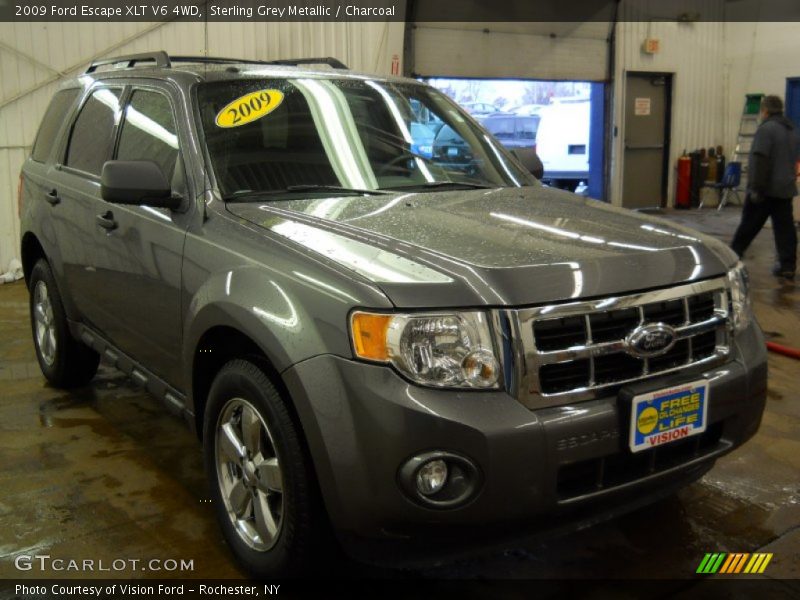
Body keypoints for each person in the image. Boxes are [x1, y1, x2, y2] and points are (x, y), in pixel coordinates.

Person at [730, 95, 799, 280]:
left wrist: (756, 187)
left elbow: (760, 159)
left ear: (765, 111)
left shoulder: (766, 129)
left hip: (766, 188)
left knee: (749, 225)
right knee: (785, 229)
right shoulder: (792, 130)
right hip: (785, 188)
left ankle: (731, 258)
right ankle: (788, 266)